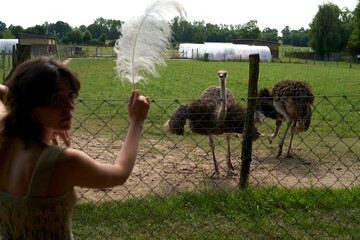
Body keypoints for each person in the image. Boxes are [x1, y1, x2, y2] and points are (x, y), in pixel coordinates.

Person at [0, 56, 150, 239]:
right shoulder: (62, 162)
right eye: (56, 98)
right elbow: (120, 172)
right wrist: (137, 121)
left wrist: (38, 118)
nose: (69, 107)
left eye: (70, 95)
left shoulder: (4, 136)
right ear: (29, 102)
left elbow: (5, 93)